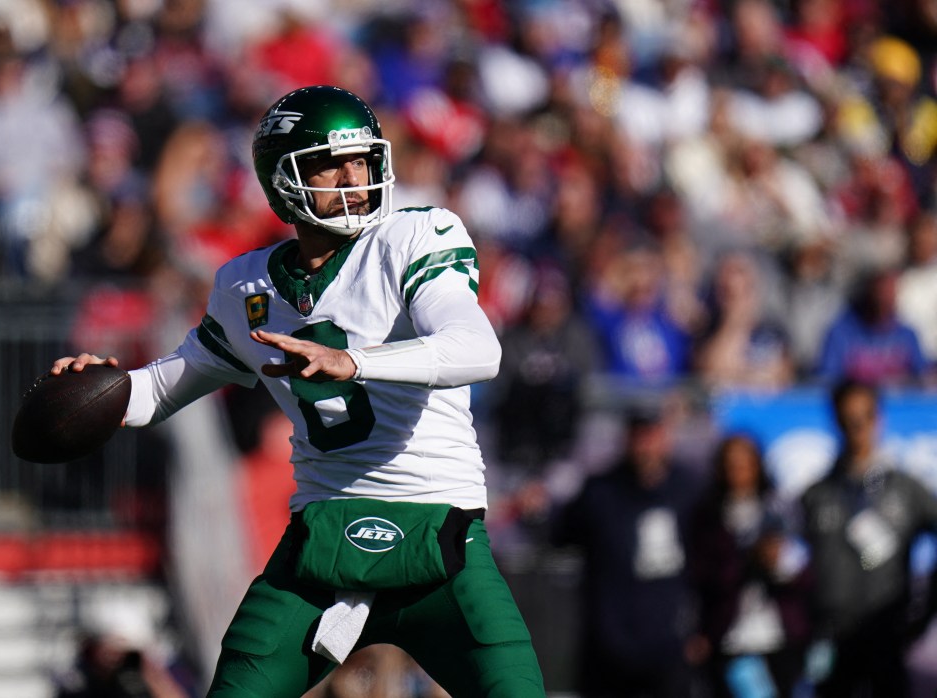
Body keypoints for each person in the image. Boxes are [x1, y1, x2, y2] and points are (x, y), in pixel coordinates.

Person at [50, 84, 545, 698]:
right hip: (321, 547)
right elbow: (161, 390)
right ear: (283, 179)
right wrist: (103, 385)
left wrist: (354, 362)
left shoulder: (414, 237)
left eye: (362, 160)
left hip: (441, 543)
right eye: (330, 163)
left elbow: (478, 349)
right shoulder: (246, 286)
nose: (354, 177)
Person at [550, 404, 703, 698]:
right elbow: (560, 535)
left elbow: (708, 562)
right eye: (638, 436)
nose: (645, 445)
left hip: (670, 643)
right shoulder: (600, 491)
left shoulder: (689, 490)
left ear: (665, 437)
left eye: (652, 435)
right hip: (609, 646)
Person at [800, 378, 937, 697]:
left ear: (879, 419)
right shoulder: (817, 494)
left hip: (887, 632)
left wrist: (926, 608)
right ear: (835, 421)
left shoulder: (906, 490)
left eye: (864, 418)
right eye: (848, 420)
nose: (857, 428)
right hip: (832, 636)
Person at [689, 433, 812, 698]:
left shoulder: (781, 510)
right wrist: (745, 559)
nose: (738, 472)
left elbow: (805, 572)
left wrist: (779, 562)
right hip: (731, 636)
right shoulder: (710, 516)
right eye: (731, 465)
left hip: (778, 636)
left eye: (745, 464)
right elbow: (701, 577)